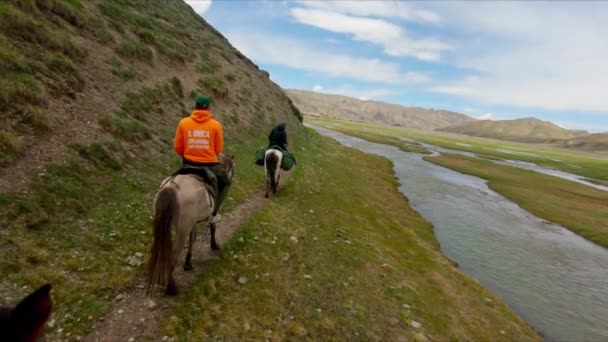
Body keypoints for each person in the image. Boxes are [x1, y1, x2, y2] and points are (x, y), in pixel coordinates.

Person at [174, 96, 231, 222]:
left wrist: (189, 155)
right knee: (226, 182)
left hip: (188, 164)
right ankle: (215, 213)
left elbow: (178, 146)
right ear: (209, 107)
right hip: (209, 164)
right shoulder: (216, 125)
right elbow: (218, 150)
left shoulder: (183, 123)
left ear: (195, 107)